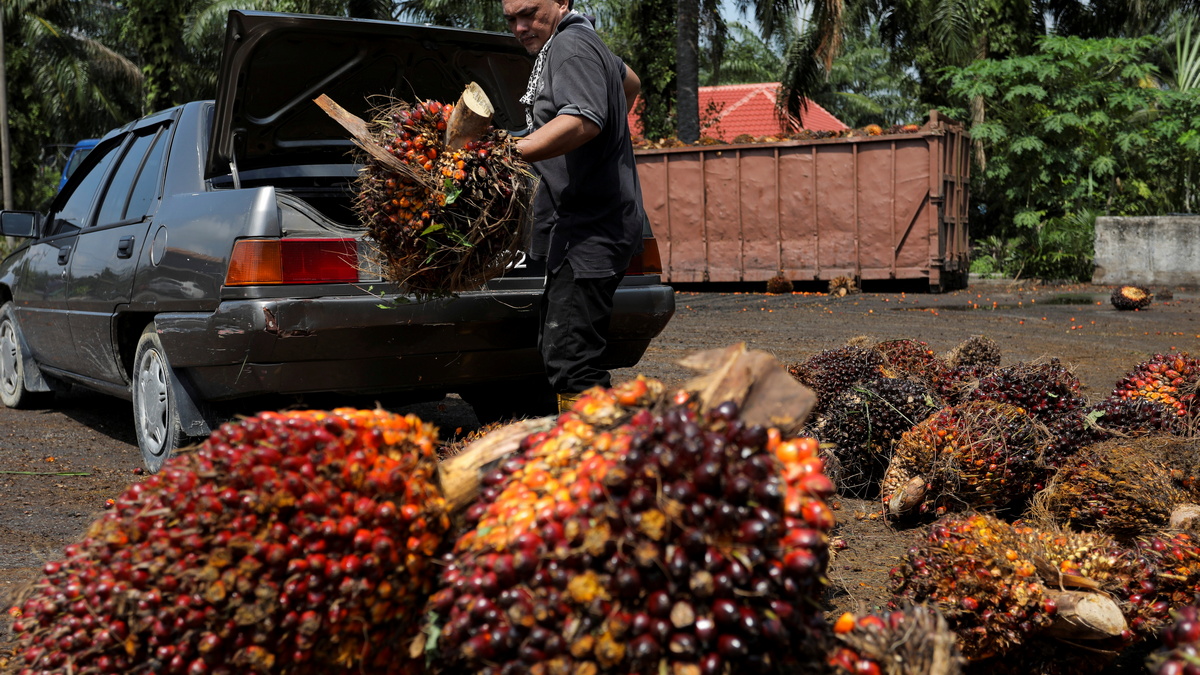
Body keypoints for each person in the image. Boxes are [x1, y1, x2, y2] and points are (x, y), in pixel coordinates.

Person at [501, 0, 646, 412]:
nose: (520, 26)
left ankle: (596, 447)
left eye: (530, 12)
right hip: (590, 224)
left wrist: (505, 154)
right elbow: (631, 82)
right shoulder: (585, 40)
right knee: (564, 346)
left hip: (591, 228)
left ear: (562, 2)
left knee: (572, 360)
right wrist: (606, 137)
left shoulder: (570, 46)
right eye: (511, 19)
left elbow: (583, 119)